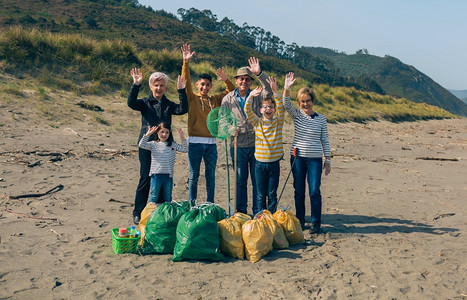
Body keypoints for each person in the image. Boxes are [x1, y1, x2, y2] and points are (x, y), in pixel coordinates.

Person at [128, 69, 188, 224]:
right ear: (151, 87)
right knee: (145, 177)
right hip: (147, 145)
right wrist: (136, 84)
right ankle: (138, 212)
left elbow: (183, 109)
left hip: (165, 147)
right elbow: (131, 103)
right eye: (156, 85)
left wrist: (182, 90)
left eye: (162, 85)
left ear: (165, 87)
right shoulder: (144, 103)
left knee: (163, 177)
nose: (159, 88)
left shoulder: (168, 104)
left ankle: (161, 211)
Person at [181, 43, 235, 203]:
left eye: (207, 84)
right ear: (197, 85)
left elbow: (231, 92)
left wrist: (226, 80)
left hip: (211, 144)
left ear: (211, 86)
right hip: (195, 143)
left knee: (210, 176)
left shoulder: (215, 100)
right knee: (194, 176)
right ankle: (192, 204)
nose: (204, 87)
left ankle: (210, 204)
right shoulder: (192, 98)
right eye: (201, 84)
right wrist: (186, 63)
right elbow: (185, 80)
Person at [222, 57, 273, 215]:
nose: (244, 81)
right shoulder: (227, 99)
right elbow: (222, 121)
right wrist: (230, 129)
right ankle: (241, 212)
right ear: (236, 80)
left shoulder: (257, 95)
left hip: (257, 145)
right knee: (240, 180)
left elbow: (269, 89)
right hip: (237, 145)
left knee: (257, 182)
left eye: (247, 79)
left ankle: (258, 211)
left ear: (251, 82)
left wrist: (259, 73)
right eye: (241, 79)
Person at [282, 72, 331, 234]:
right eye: (302, 101)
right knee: (299, 190)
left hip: (315, 159)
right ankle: (301, 220)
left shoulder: (321, 119)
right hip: (297, 158)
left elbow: (325, 139)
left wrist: (328, 159)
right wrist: (287, 88)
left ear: (313, 101)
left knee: (314, 190)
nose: (305, 104)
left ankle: (316, 221)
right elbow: (285, 103)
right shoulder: (297, 115)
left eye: (308, 101)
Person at [244, 74, 293, 214]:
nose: (268, 109)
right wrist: (251, 96)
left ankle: (270, 218)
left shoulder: (278, 122)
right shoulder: (257, 122)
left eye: (271, 107)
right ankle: (260, 218)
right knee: (260, 194)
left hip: (274, 164)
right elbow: (247, 110)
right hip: (259, 163)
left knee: (272, 194)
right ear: (260, 110)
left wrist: (276, 91)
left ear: (274, 110)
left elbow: (282, 107)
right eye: (265, 107)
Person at [138, 122, 188, 204]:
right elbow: (141, 144)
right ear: (157, 132)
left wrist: (182, 138)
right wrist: (148, 133)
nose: (164, 134)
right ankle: (151, 215)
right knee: (153, 197)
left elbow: (184, 149)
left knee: (167, 198)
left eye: (167, 132)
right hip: (156, 175)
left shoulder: (172, 145)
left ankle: (165, 216)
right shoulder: (154, 144)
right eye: (162, 132)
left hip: (168, 176)